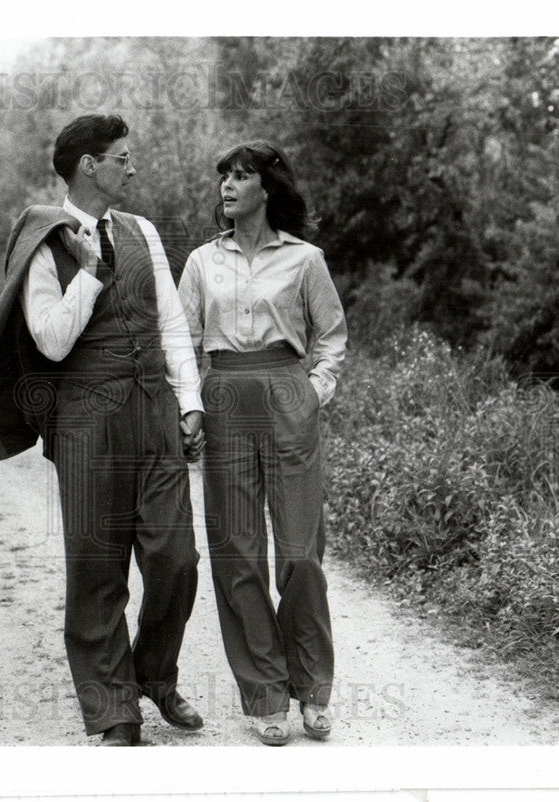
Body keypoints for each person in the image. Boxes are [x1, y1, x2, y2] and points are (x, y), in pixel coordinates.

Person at [0, 114, 205, 746]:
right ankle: (113, 710)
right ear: (89, 166)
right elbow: (48, 338)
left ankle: (153, 673)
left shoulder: (144, 232)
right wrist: (92, 274)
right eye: (122, 157)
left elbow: (171, 322)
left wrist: (190, 402)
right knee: (98, 568)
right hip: (87, 421)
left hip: (154, 411)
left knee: (176, 559)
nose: (133, 167)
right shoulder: (45, 239)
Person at [177, 140, 347, 746]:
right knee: (237, 553)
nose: (227, 185)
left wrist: (312, 393)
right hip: (224, 393)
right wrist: (190, 407)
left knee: (300, 553)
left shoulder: (305, 260)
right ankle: (266, 693)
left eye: (241, 176)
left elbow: (330, 338)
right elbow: (183, 341)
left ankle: (313, 687)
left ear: (266, 189)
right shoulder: (201, 262)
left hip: (285, 390)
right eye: (223, 175)